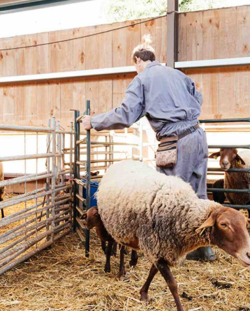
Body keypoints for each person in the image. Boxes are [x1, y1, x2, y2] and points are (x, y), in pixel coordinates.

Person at [81, 35, 214, 261]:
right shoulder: (178, 74)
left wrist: (93, 122)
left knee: (170, 200)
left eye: (134, 66)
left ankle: (169, 252)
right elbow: (197, 99)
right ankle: (203, 250)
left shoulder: (142, 80)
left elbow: (126, 114)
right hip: (198, 136)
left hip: (176, 141)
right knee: (198, 195)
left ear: (137, 61)